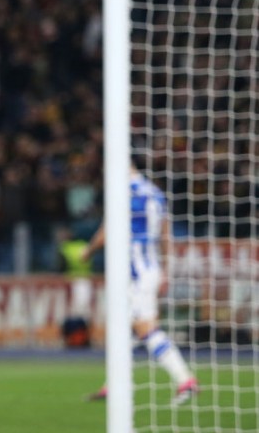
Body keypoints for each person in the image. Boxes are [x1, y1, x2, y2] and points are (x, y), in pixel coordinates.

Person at [81, 166, 198, 405]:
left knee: (145, 328)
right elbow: (166, 234)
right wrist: (166, 270)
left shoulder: (122, 191)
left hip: (135, 270)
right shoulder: (155, 192)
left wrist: (88, 251)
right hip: (151, 266)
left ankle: (185, 381)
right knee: (126, 326)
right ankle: (113, 385)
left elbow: (107, 231)